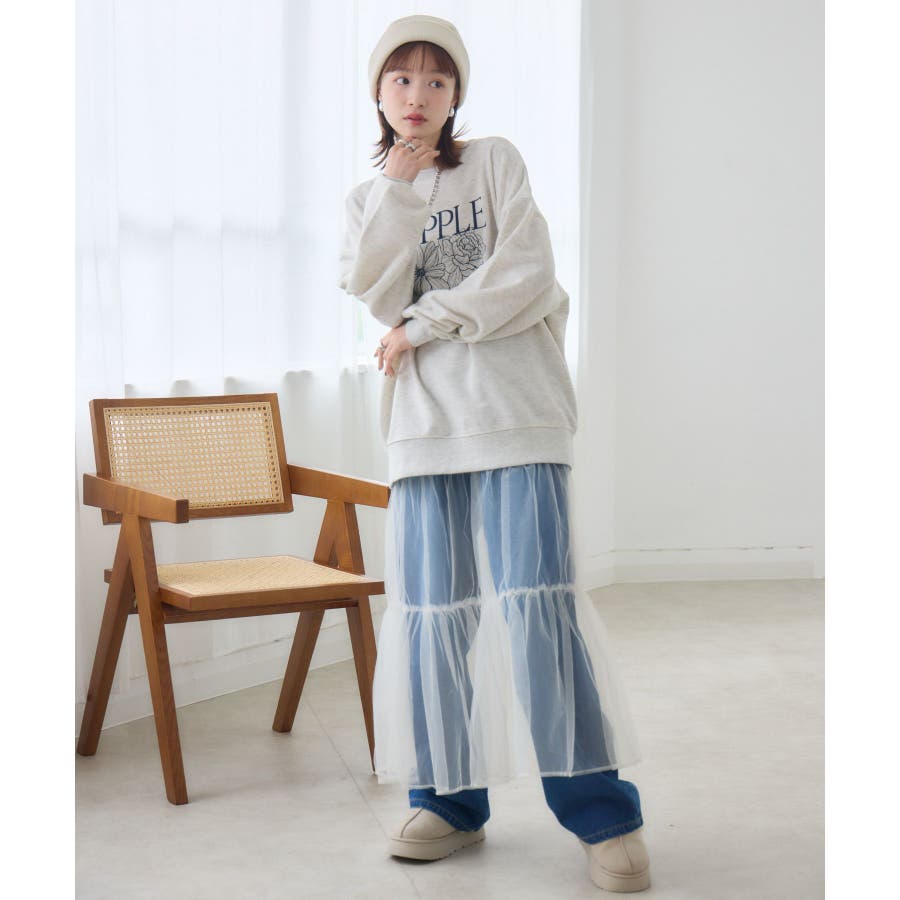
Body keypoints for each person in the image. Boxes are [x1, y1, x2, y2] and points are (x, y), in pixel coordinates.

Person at [338, 14, 651, 893]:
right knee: (434, 619)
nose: (419, 95)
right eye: (402, 79)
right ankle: (447, 802)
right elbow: (373, 291)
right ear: (378, 92)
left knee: (539, 613)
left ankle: (599, 811)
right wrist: (400, 193)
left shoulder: (495, 161)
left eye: (437, 80)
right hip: (425, 427)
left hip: (517, 411)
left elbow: (527, 275)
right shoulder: (367, 201)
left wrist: (423, 324)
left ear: (457, 95)